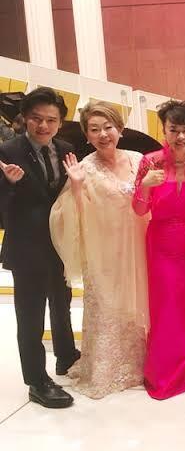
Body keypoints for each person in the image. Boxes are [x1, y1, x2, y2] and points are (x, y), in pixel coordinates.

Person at [49, 101, 149, 399]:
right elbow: (69, 216)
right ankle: (106, 368)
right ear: (87, 135)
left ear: (120, 129)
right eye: (94, 129)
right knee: (106, 308)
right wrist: (76, 186)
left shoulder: (138, 160)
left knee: (137, 303)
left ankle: (141, 363)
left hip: (137, 247)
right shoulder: (84, 168)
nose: (103, 134)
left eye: (108, 127)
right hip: (103, 251)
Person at [0, 87, 79, 408]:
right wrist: (9, 185)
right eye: (36, 119)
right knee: (30, 315)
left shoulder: (67, 149)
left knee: (62, 303)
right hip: (27, 247)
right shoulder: (8, 151)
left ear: (60, 123)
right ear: (24, 119)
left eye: (51, 120)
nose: (43, 126)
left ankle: (66, 356)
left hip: (59, 243)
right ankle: (36, 380)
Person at [132, 100, 185, 399]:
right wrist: (145, 186)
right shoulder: (150, 162)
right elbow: (139, 210)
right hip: (160, 242)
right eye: (173, 130)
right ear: (164, 130)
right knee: (165, 305)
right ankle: (168, 366)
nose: (180, 136)